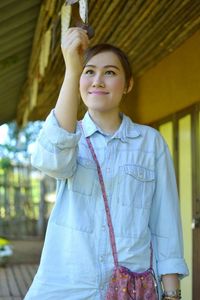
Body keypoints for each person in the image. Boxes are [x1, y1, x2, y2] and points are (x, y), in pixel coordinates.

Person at [25, 28, 189, 300]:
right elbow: (51, 161)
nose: (98, 81)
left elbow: (166, 223)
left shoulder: (151, 143)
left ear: (128, 85)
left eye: (110, 73)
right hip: (67, 288)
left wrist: (172, 293)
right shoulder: (69, 138)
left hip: (130, 289)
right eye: (88, 72)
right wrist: (71, 69)